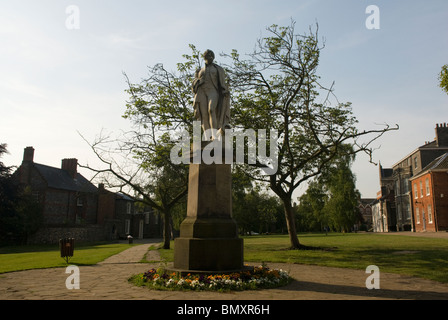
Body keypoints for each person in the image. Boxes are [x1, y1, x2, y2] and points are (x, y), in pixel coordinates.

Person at [192, 49, 231, 140]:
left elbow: (221, 82)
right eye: (208, 56)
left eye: (211, 56)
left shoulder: (218, 69)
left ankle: (214, 134)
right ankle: (207, 137)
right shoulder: (199, 70)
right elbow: (194, 85)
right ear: (205, 57)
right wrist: (198, 81)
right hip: (202, 92)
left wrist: (225, 89)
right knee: (204, 114)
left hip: (213, 91)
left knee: (211, 109)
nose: (210, 58)